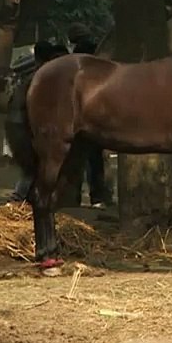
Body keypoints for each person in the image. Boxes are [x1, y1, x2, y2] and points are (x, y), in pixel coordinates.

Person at [7, 40, 70, 203]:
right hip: (24, 123)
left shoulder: (31, 73)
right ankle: (18, 198)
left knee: (34, 165)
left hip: (16, 122)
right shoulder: (42, 76)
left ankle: (26, 199)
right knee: (33, 166)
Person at [69, 25, 112, 207]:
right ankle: (99, 196)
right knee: (96, 160)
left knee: (80, 158)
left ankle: (75, 196)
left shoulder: (78, 57)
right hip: (98, 113)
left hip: (84, 113)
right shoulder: (98, 53)